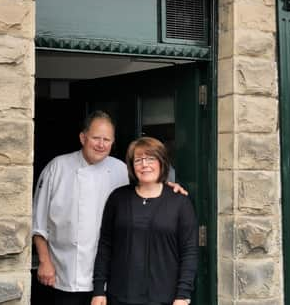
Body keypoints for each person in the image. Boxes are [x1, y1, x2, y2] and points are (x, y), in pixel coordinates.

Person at [32, 111, 186, 305]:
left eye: (107, 139)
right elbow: (38, 222)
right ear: (83, 137)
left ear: (112, 143)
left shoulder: (121, 169)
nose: (101, 144)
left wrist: (169, 187)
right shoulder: (57, 167)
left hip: (110, 277)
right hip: (63, 271)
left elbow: (147, 186)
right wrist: (45, 262)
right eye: (96, 138)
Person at [91, 136, 198, 305]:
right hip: (120, 296)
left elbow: (189, 252)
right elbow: (105, 246)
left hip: (165, 298)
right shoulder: (117, 198)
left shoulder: (180, 202)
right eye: (138, 160)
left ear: (162, 162)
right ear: (132, 166)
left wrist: (183, 296)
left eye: (150, 158)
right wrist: (98, 290)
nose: (144, 164)